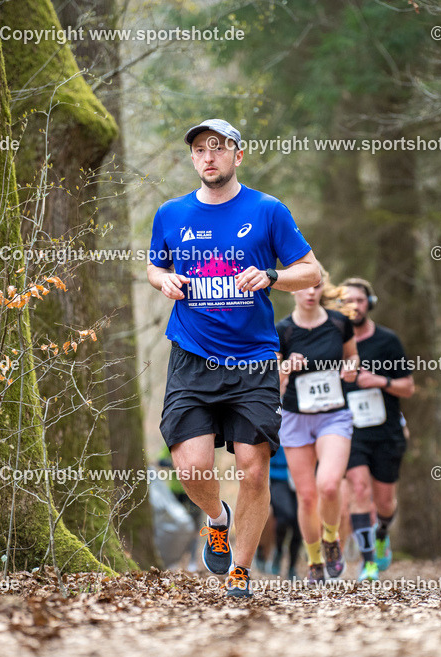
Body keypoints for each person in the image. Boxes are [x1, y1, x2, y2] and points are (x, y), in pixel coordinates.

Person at [147, 118, 321, 598]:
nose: (208, 157)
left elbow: (310, 271)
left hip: (253, 359)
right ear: (192, 159)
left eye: (218, 148)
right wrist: (162, 281)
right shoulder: (171, 213)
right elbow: (154, 266)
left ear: (237, 156)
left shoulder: (267, 211)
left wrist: (270, 276)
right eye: (200, 150)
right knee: (192, 468)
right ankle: (217, 519)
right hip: (193, 356)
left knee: (253, 465)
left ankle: (240, 572)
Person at [276, 270, 358, 583]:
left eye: (316, 286)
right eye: (304, 287)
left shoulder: (339, 323)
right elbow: (273, 377)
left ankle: (332, 540)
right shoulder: (282, 330)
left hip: (333, 415)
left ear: (323, 288)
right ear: (292, 290)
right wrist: (286, 367)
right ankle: (313, 563)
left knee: (328, 484)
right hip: (296, 417)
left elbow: (352, 358)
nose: (310, 292)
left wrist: (349, 370)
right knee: (307, 497)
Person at [340, 277, 415, 581]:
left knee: (384, 501)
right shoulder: (334, 342)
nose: (353, 306)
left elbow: (408, 387)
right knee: (359, 489)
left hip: (385, 431)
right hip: (350, 430)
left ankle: (382, 532)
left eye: (359, 300)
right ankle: (368, 561)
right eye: (346, 301)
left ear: (368, 304)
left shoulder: (388, 341)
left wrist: (380, 381)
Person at [267, 445, 301, 580]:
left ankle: (292, 567)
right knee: (285, 516)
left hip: (300, 476)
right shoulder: (276, 423)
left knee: (299, 524)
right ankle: (279, 551)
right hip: (277, 477)